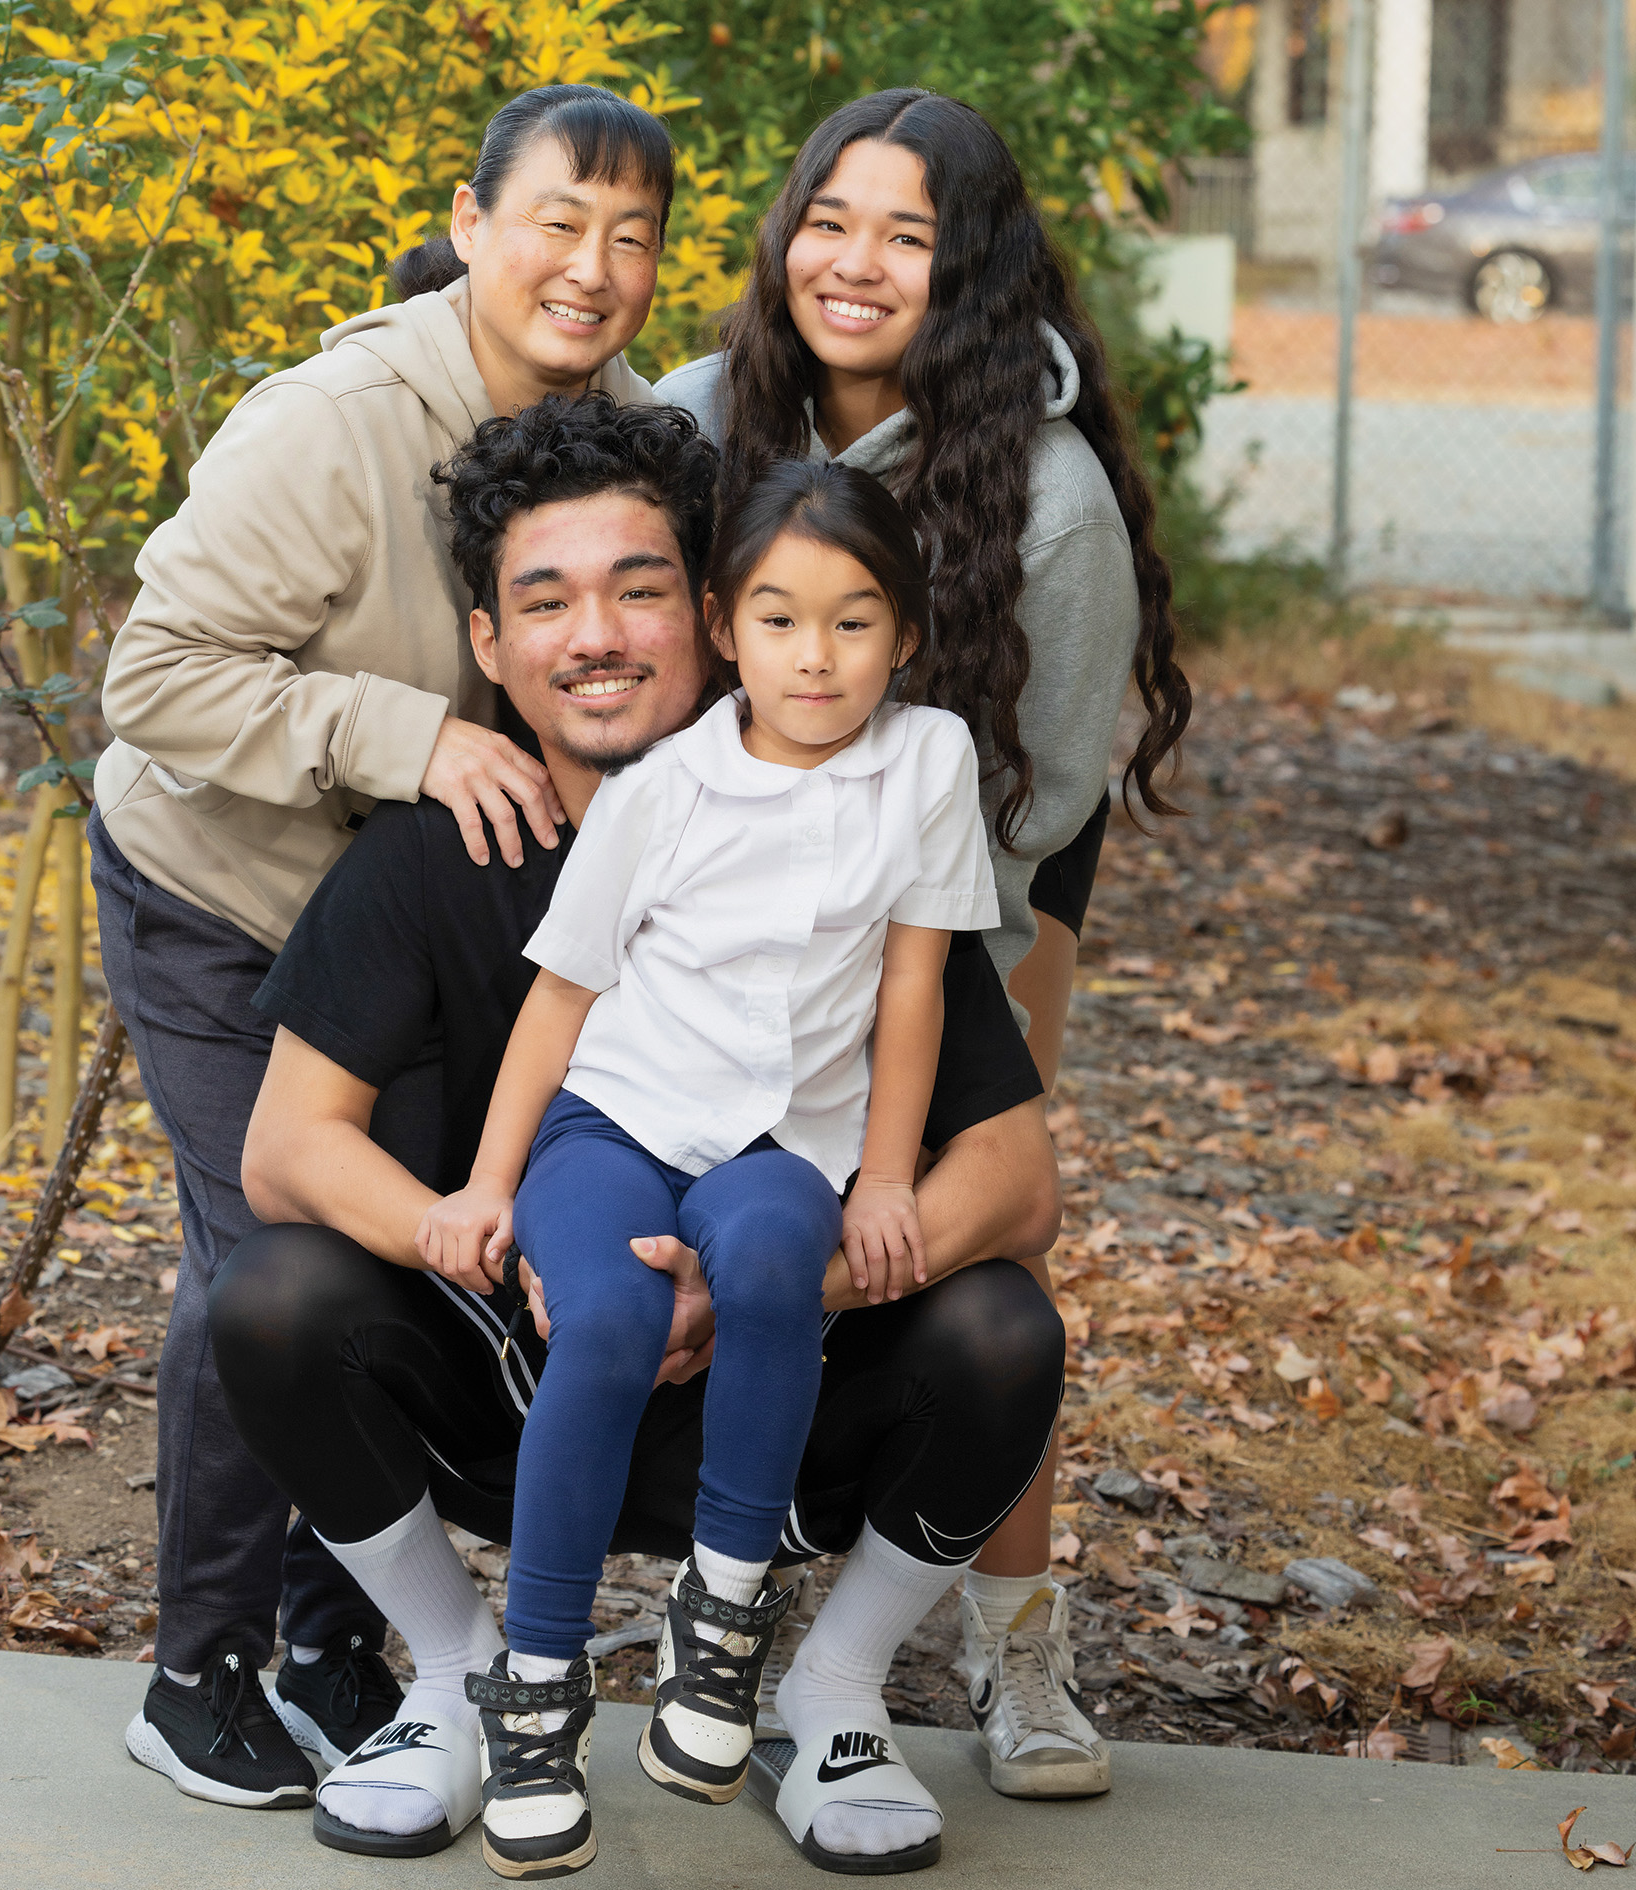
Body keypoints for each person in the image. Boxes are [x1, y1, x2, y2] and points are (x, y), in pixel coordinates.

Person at [209, 394, 1067, 1876]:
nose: (595, 631)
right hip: (523, 1370)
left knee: (1004, 1328)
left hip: (781, 1374)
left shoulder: (865, 808)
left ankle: (831, 1686)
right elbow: (286, 1149)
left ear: (709, 612)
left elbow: (1013, 1178)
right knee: (275, 1298)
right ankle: (467, 1677)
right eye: (546, 599)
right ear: (491, 646)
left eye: (638, 587)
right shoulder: (428, 850)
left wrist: (763, 1287)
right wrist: (472, 1226)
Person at [93, 83, 676, 1809]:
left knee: (377, 1268)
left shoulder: (622, 422)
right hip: (226, 877)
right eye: (560, 221)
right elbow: (153, 679)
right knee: (268, 1240)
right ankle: (195, 1669)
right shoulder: (333, 420)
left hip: (409, 914)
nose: (593, 267)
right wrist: (404, 735)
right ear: (473, 217)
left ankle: (335, 1637)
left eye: (634, 238)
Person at [654, 86, 1194, 1801]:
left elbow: (1043, 796)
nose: (857, 262)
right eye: (830, 219)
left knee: (982, 1244)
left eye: (908, 232)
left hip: (967, 900)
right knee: (719, 1198)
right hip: (710, 894)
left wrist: (889, 895)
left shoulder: (1048, 497)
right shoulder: (689, 420)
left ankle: (1016, 1645)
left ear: (970, 267)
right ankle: (737, 1569)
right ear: (783, 234)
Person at [414, 456, 995, 1877]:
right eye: (783, 620)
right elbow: (561, 1000)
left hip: (781, 1140)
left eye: (856, 622)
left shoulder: (928, 762)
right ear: (728, 626)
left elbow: (912, 990)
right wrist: (491, 1184)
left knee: (783, 1246)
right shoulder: (665, 789)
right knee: (605, 1320)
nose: (818, 655)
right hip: (614, 1124)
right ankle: (537, 1691)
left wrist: (889, 1175)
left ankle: (723, 1611)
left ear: (906, 636)